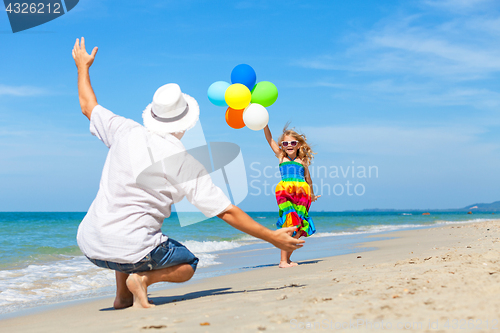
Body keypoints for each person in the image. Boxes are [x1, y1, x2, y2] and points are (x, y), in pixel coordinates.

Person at [72, 37, 304, 309]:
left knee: (127, 229)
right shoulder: (183, 161)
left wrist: (83, 66)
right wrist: (272, 236)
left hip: (90, 244)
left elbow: (88, 106)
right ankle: (142, 282)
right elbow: (225, 211)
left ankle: (122, 296)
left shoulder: (125, 130)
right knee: (188, 263)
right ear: (186, 122)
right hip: (131, 249)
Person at [263, 124, 320, 268]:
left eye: (292, 143)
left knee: (298, 227)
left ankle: (287, 259)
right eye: (285, 143)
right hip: (284, 192)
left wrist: (312, 195)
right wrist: (264, 125)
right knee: (289, 223)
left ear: (299, 144)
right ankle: (283, 261)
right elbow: (269, 139)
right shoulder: (281, 156)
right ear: (282, 145)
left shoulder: (303, 161)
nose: (289, 145)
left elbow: (309, 179)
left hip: (302, 195)